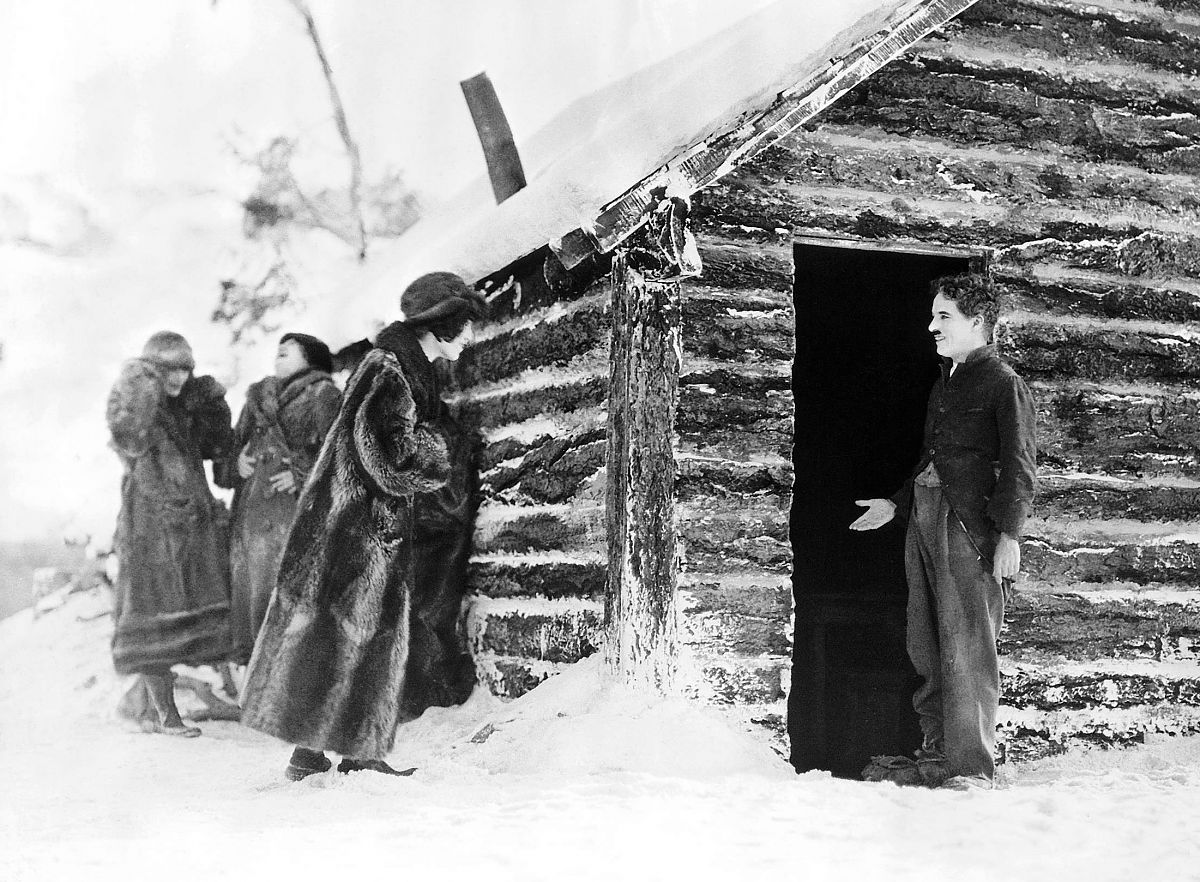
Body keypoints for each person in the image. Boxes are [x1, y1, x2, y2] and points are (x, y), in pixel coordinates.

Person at [240, 272, 487, 780]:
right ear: (441, 326)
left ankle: (312, 754)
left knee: (337, 633)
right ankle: (357, 753)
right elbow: (388, 457)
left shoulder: (396, 366)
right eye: (463, 327)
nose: (468, 338)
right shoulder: (391, 372)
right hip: (362, 526)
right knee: (360, 634)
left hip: (353, 521)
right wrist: (443, 448)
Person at [851, 274, 1037, 790]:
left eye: (944, 317)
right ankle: (938, 753)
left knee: (968, 645)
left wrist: (1009, 535)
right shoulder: (945, 382)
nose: (932, 327)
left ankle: (971, 767)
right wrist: (896, 503)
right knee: (926, 638)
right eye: (933, 316)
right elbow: (931, 461)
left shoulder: (1003, 382)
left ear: (977, 322)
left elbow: (1020, 467)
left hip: (968, 529)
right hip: (925, 518)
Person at [106, 331, 236, 737]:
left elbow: (217, 448)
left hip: (190, 524)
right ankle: (165, 715)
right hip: (149, 527)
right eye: (169, 369)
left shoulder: (181, 411)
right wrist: (140, 384)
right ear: (151, 371)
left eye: (185, 369)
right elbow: (126, 435)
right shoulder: (140, 409)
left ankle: (151, 707)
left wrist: (211, 404)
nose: (178, 378)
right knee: (150, 615)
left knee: (190, 613)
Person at [218, 333, 341, 666]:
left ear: (312, 358)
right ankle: (254, 689)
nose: (279, 353)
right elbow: (230, 450)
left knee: (287, 598)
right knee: (250, 599)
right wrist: (236, 465)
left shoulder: (324, 394)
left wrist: (302, 476)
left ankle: (291, 691)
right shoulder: (258, 398)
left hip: (294, 516)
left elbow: (341, 455)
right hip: (250, 518)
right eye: (278, 350)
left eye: (288, 350)